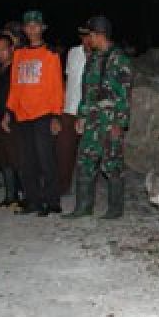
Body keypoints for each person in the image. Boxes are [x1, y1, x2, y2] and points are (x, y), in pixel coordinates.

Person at [65, 16, 132, 219]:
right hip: (92, 120)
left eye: (90, 35)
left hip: (110, 121)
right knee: (85, 161)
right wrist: (81, 116)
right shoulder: (93, 59)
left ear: (98, 35)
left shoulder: (120, 59)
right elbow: (87, 91)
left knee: (112, 164)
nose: (88, 39)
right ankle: (83, 207)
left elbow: (125, 95)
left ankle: (115, 209)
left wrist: (119, 124)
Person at [4, 10, 64, 216]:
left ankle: (52, 201)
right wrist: (8, 113)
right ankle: (33, 201)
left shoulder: (51, 55)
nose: (32, 29)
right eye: (28, 25)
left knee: (46, 159)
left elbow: (57, 87)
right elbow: (14, 86)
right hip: (22, 116)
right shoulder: (18, 55)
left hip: (43, 114)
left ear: (42, 28)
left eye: (36, 25)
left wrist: (56, 116)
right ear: (24, 29)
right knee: (27, 161)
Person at [0, 32, 23, 208]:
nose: (0, 53)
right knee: (3, 158)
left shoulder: (17, 68)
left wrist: (9, 114)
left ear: (11, 48)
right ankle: (10, 195)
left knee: (16, 156)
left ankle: (24, 195)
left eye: (3, 49)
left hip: (13, 118)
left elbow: (18, 95)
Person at [56, 25, 91, 194]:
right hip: (69, 109)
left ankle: (86, 189)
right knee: (64, 149)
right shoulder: (73, 52)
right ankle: (63, 186)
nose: (86, 39)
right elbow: (68, 79)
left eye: (88, 35)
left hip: (90, 112)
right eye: (83, 35)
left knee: (88, 152)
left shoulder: (102, 55)